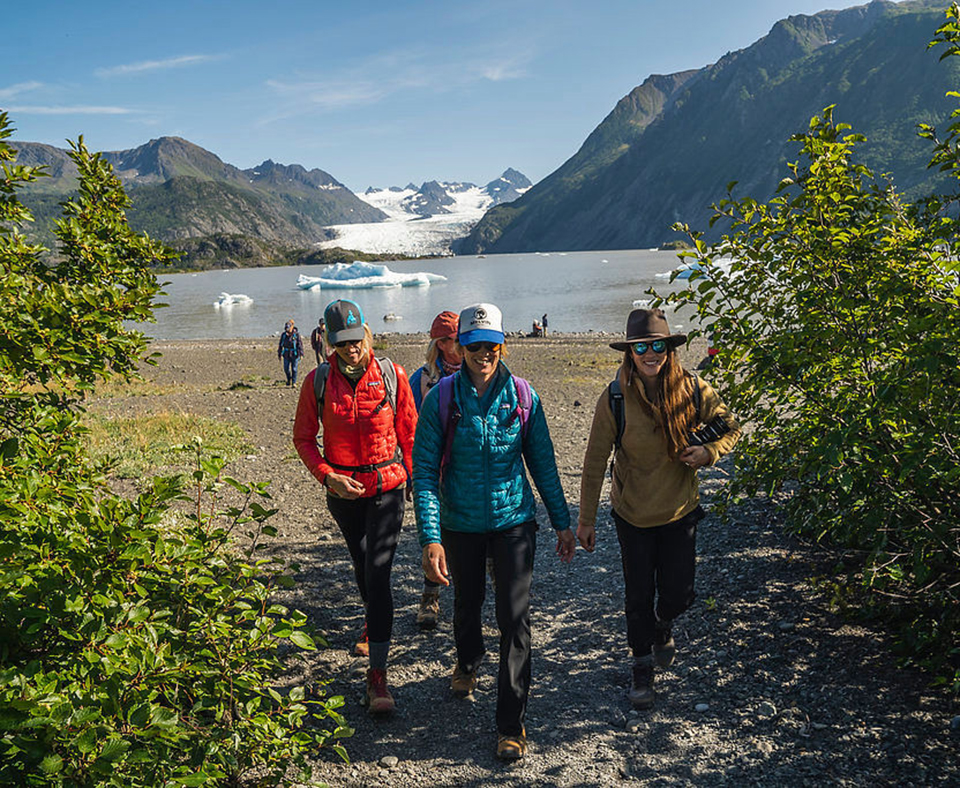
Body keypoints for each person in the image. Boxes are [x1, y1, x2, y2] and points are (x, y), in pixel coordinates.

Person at [413, 303, 576, 760]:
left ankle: (511, 724)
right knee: (467, 604)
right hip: (460, 521)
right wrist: (431, 537)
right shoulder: (441, 399)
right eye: (474, 345)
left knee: (514, 617)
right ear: (461, 347)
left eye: (491, 345)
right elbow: (423, 470)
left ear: (503, 345)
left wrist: (562, 523)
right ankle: (467, 659)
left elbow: (542, 462)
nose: (484, 353)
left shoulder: (523, 397)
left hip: (513, 523)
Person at [577, 308, 740, 710]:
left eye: (657, 346)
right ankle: (641, 669)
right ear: (629, 352)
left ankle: (663, 623)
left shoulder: (693, 389)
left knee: (678, 593)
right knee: (637, 595)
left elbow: (730, 424)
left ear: (669, 349)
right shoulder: (614, 396)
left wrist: (709, 452)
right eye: (641, 347)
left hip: (680, 509)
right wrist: (585, 519)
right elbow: (595, 458)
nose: (650, 354)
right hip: (631, 513)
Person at [293, 299, 417, 715]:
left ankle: (377, 678)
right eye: (342, 343)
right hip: (343, 494)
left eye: (357, 341)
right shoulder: (317, 382)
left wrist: (419, 484)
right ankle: (372, 621)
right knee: (363, 565)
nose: (352, 349)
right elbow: (304, 439)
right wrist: (327, 476)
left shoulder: (392, 375)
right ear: (330, 341)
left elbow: (410, 433)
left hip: (387, 487)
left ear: (368, 334)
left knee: (378, 572)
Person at [407, 310, 462, 630]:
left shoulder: (478, 372)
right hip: (434, 469)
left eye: (455, 339)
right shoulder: (423, 378)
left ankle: (490, 593)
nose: (451, 346)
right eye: (444, 341)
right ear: (436, 343)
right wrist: (413, 469)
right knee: (433, 533)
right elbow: (409, 426)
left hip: (467, 467)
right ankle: (430, 596)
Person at [278, 319, 304, 386]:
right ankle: (289, 379)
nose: (287, 330)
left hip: (295, 354)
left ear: (292, 327)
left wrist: (301, 354)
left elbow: (300, 344)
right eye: (286, 328)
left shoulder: (296, 335)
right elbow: (280, 345)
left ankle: (294, 382)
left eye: (288, 328)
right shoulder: (283, 335)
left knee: (294, 369)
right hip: (286, 354)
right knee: (286, 368)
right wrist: (279, 354)